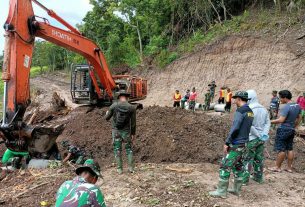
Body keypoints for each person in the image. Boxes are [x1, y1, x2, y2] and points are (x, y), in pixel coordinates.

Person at [209, 91, 253, 198]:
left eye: (235, 99)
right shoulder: (250, 111)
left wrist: (227, 142)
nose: (234, 101)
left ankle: (221, 191)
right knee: (238, 166)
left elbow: (235, 127)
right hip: (244, 143)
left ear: (239, 99)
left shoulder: (240, 111)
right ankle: (236, 189)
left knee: (225, 166)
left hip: (236, 143)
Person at [242, 90, 270, 185]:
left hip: (251, 138)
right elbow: (267, 123)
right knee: (259, 159)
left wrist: (257, 134)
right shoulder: (264, 109)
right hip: (261, 139)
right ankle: (258, 177)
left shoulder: (249, 109)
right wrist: (263, 135)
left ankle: (244, 180)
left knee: (247, 159)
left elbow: (249, 125)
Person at [105, 91, 136, 174]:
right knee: (129, 149)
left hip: (116, 132)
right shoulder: (132, 107)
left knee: (117, 150)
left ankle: (119, 169)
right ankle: (131, 168)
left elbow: (107, 118)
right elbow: (133, 123)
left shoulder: (114, 105)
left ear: (119, 97)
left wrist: (107, 113)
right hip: (126, 132)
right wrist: (133, 133)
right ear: (127, 97)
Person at [270, 90, 301, 173]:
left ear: (285, 97)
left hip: (283, 129)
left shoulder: (287, 107)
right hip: (291, 129)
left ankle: (277, 167)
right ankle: (289, 168)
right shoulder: (297, 105)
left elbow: (281, 120)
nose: (280, 100)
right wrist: (295, 126)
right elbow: (299, 117)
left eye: (280, 98)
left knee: (281, 149)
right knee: (289, 148)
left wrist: (269, 121)